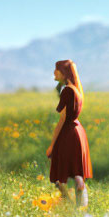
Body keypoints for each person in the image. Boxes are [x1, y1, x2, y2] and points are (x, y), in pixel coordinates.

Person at [47, 59, 93, 207]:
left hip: (68, 133)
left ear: (63, 72)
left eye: (56, 69)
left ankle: (69, 205)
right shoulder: (77, 90)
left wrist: (52, 145)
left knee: (60, 174)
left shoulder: (67, 90)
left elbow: (62, 119)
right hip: (78, 132)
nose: (54, 72)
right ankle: (82, 207)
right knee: (77, 171)